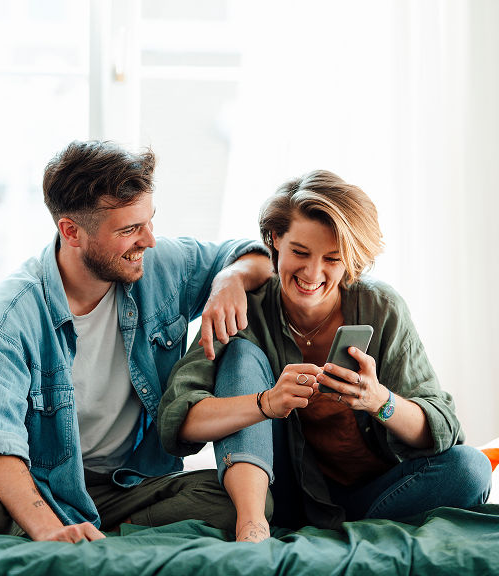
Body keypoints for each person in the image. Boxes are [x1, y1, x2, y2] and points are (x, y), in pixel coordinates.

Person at [0, 140, 275, 542]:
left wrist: (229, 279)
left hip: (124, 483)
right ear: (71, 231)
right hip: (38, 479)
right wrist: (48, 529)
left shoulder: (160, 263)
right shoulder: (10, 316)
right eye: (130, 229)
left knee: (235, 500)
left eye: (150, 221)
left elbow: (254, 255)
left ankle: (92, 524)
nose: (148, 239)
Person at [158, 170, 493, 531]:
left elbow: (442, 428)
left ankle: (352, 528)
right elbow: (177, 421)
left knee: (470, 468)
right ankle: (252, 524)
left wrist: (380, 401)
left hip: (375, 496)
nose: (312, 273)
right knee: (240, 353)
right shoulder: (245, 310)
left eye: (332, 259)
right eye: (300, 252)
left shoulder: (380, 308)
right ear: (274, 239)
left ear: (350, 260)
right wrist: (267, 402)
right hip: (280, 491)